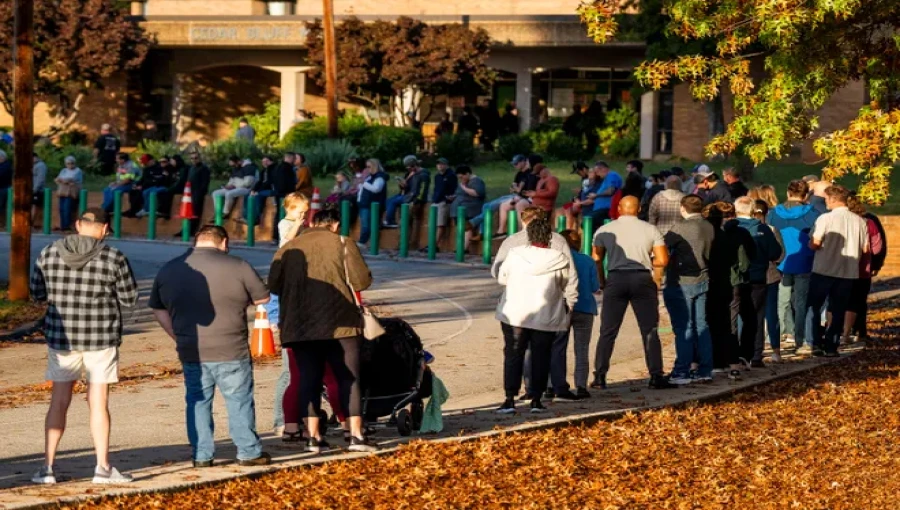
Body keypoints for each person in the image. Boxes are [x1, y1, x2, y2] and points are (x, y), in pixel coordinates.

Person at [29, 208, 139, 484]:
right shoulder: (114, 257)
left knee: (59, 401)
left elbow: (38, 293)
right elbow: (128, 298)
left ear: (78, 225)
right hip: (100, 338)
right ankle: (102, 467)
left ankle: (48, 468)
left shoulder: (48, 253)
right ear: (104, 229)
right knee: (98, 402)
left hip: (61, 338)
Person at [149, 226, 272, 468]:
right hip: (231, 347)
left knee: (197, 400)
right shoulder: (238, 265)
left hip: (191, 348)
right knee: (239, 400)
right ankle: (248, 452)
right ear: (223, 242)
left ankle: (202, 455)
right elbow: (263, 298)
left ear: (196, 241)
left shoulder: (171, 268)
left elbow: (157, 307)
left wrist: (176, 335)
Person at [268, 207, 379, 453]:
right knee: (348, 377)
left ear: (311, 224)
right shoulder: (343, 243)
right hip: (341, 323)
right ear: (336, 225)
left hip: (299, 325)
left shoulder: (289, 248)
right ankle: (356, 435)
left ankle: (313, 437)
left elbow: (273, 285)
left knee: (308, 378)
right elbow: (361, 281)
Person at [495, 211, 575, 414]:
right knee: (541, 355)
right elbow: (563, 282)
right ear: (549, 236)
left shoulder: (515, 253)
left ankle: (510, 397)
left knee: (514, 353)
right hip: (545, 313)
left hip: (515, 312)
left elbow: (502, 278)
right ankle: (536, 399)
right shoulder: (559, 257)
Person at [591, 196, 673, 390]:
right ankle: (655, 374)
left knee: (608, 330)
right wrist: (654, 275)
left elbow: (596, 258)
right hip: (642, 278)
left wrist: (602, 281)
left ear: (619, 208)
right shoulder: (650, 229)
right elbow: (662, 260)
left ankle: (600, 375)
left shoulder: (604, 229)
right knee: (649, 329)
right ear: (639, 209)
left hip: (616, 278)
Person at [807, 185, 869, 357]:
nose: (825, 202)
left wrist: (810, 243)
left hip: (824, 269)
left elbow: (816, 243)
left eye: (826, 199)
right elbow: (865, 249)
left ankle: (815, 342)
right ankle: (832, 345)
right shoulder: (860, 221)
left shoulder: (825, 219)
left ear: (834, 199)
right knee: (839, 309)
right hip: (847, 271)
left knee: (814, 306)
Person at [662, 194, 715, 384]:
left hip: (683, 280)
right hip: (704, 277)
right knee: (701, 325)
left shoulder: (681, 228)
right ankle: (705, 369)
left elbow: (662, 246)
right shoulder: (708, 226)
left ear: (683, 208)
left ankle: (682, 370)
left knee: (684, 327)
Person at [269, 193, 310, 439]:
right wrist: (275, 318)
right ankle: (280, 418)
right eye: (299, 212)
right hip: (287, 320)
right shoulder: (286, 225)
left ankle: (302, 416)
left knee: (304, 371)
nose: (302, 217)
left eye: (305, 213)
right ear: (289, 209)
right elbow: (287, 241)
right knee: (288, 372)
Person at [767, 179, 820, 353]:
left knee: (780, 301)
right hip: (805, 261)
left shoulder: (774, 213)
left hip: (780, 262)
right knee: (801, 302)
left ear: (788, 193)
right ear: (806, 195)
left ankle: (774, 338)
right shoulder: (813, 213)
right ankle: (800, 339)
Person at [705, 201, 755, 380]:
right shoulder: (740, 233)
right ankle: (734, 359)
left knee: (713, 320)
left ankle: (717, 360)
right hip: (733, 280)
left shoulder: (711, 234)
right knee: (729, 322)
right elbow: (750, 255)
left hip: (712, 280)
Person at [733, 196, 782, 367]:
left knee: (735, 315)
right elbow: (775, 253)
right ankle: (754, 354)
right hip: (757, 278)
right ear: (753, 210)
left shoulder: (730, 228)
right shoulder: (762, 229)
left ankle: (735, 353)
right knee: (756, 316)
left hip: (735, 278)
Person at [558, 230, 601, 398]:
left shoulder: (559, 259)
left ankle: (554, 384)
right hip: (585, 308)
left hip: (563, 308)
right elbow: (594, 286)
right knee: (582, 348)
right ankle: (581, 385)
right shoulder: (588, 260)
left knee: (558, 348)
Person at [842, 194, 883, 345]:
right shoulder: (869, 222)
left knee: (839, 300)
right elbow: (877, 247)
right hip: (862, 268)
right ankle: (855, 332)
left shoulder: (839, 221)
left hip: (840, 266)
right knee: (858, 301)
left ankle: (837, 331)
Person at [752, 199, 786, 362]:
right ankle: (776, 350)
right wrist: (775, 263)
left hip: (753, 277)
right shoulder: (772, 230)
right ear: (766, 213)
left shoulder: (747, 229)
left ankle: (751, 348)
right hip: (771, 275)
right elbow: (780, 253)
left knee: (752, 313)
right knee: (771, 314)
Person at [470, 155, 534, 238]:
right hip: (515, 195)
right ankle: (482, 232)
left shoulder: (529, 173)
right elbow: (513, 187)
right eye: (513, 164)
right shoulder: (519, 174)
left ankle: (474, 222)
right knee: (486, 205)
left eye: (516, 163)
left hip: (521, 197)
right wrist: (515, 188)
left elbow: (520, 189)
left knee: (496, 204)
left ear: (523, 162)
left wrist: (517, 189)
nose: (514, 166)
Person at [384, 155, 430, 228]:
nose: (408, 169)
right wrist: (402, 185)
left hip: (412, 197)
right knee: (388, 200)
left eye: (409, 167)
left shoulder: (423, 174)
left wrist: (416, 201)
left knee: (393, 202)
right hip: (407, 194)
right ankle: (389, 220)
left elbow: (422, 190)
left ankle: (390, 221)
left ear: (413, 165)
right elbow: (407, 187)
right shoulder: (409, 173)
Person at [172, 153, 212, 238]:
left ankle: (192, 230)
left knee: (195, 212)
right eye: (192, 158)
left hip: (198, 193)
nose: (194, 160)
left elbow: (205, 182)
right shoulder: (191, 168)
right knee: (187, 212)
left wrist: (201, 192)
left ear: (200, 158)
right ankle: (185, 230)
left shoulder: (204, 169)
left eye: (196, 158)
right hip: (189, 192)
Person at [452, 166, 488, 251]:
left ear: (467, 174)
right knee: (462, 228)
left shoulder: (477, 181)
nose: (461, 179)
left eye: (462, 177)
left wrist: (464, 188)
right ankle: (461, 247)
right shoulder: (463, 182)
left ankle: (464, 248)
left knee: (467, 227)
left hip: (470, 209)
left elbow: (477, 193)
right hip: (460, 209)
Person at [357, 158, 388, 247]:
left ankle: (362, 242)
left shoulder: (379, 178)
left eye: (369, 167)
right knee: (365, 224)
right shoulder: (369, 177)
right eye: (366, 167)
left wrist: (363, 183)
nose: (367, 169)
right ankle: (365, 242)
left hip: (370, 204)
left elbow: (376, 189)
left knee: (367, 225)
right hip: (364, 203)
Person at [431, 158, 458, 246]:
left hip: (445, 202)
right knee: (433, 223)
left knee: (440, 223)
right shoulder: (437, 176)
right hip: (436, 201)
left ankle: (435, 244)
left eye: (442, 164)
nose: (440, 166)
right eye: (438, 164)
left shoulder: (451, 176)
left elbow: (454, 189)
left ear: (446, 165)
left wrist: (447, 198)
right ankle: (431, 243)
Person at [588, 161, 623, 227]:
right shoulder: (606, 179)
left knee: (588, 222)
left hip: (605, 209)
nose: (597, 174)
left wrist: (596, 195)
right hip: (600, 209)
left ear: (603, 169)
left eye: (597, 171)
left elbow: (611, 191)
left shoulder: (612, 175)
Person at [55, 156, 83, 231]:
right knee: (61, 209)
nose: (70, 165)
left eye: (72, 163)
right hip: (62, 192)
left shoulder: (78, 170)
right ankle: (63, 226)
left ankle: (67, 226)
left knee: (67, 209)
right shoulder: (64, 170)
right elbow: (57, 179)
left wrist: (63, 180)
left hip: (71, 193)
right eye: (68, 163)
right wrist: (64, 181)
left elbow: (71, 179)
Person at [245, 155, 276, 224]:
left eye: (266, 161)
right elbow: (260, 182)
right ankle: (246, 217)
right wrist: (254, 190)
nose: (264, 163)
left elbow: (270, 182)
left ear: (271, 162)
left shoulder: (274, 169)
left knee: (257, 196)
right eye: (263, 162)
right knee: (247, 195)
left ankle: (256, 218)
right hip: (264, 189)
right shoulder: (263, 171)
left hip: (272, 190)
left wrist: (258, 191)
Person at [32, 153, 48, 224]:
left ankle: (31, 222)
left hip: (37, 190)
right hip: (32, 189)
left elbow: (40, 178)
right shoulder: (34, 165)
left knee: (35, 206)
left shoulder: (41, 166)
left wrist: (35, 188)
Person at [0, 149, 10, 227]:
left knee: (1, 207)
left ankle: (3, 223)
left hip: (3, 188)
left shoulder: (6, 165)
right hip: (3, 188)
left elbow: (1, 175)